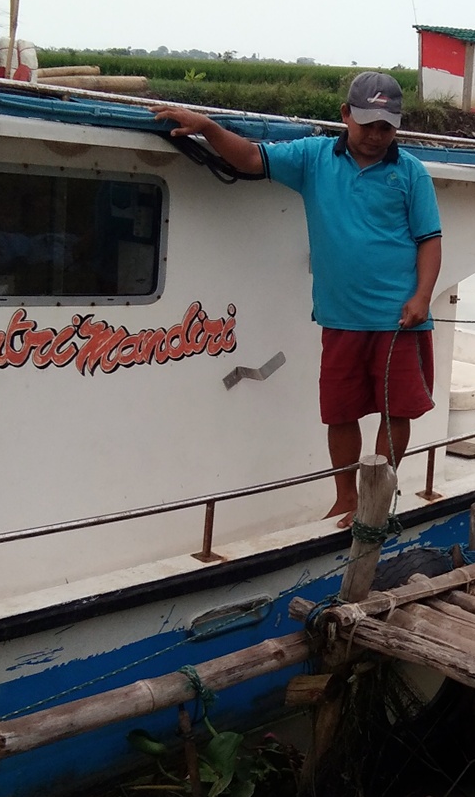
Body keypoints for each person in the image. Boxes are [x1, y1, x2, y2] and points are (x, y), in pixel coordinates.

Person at [152, 72, 442, 524]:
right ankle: (346, 497)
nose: (375, 135)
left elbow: (429, 239)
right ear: (346, 115)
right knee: (340, 412)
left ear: (397, 127)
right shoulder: (313, 158)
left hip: (399, 318)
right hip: (340, 316)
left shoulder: (411, 173)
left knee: (395, 411)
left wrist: (423, 296)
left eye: (385, 126)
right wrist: (207, 127)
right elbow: (250, 158)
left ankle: (375, 498)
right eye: (366, 124)